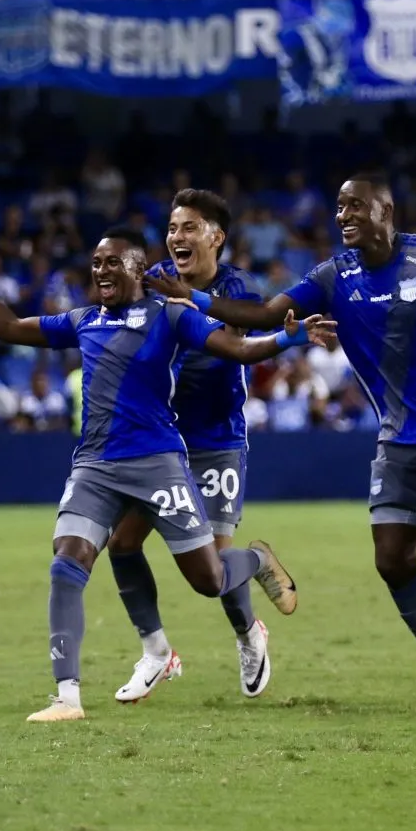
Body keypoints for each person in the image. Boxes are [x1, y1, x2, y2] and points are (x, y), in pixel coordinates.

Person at [151, 173, 416, 707]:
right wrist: (193, 297)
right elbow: (263, 314)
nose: (344, 215)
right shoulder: (334, 276)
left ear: (385, 211)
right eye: (339, 207)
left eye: (356, 206)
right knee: (392, 561)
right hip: (399, 438)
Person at [0, 223, 336, 722]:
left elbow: (238, 350)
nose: (101, 270)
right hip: (95, 466)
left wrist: (288, 337)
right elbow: (9, 328)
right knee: (67, 561)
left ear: (139, 269)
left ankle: (255, 560)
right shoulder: (82, 320)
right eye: (96, 263)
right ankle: (67, 697)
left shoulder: (171, 315)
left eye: (112, 262)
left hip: (158, 464)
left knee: (209, 580)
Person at [106, 190, 275, 702]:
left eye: (190, 228)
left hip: (217, 439)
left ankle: (249, 634)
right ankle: (157, 652)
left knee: (216, 570)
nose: (177, 236)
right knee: (122, 544)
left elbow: (249, 331)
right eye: (173, 228)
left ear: (216, 237)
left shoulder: (236, 287)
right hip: (161, 442)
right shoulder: (154, 279)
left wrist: (191, 300)